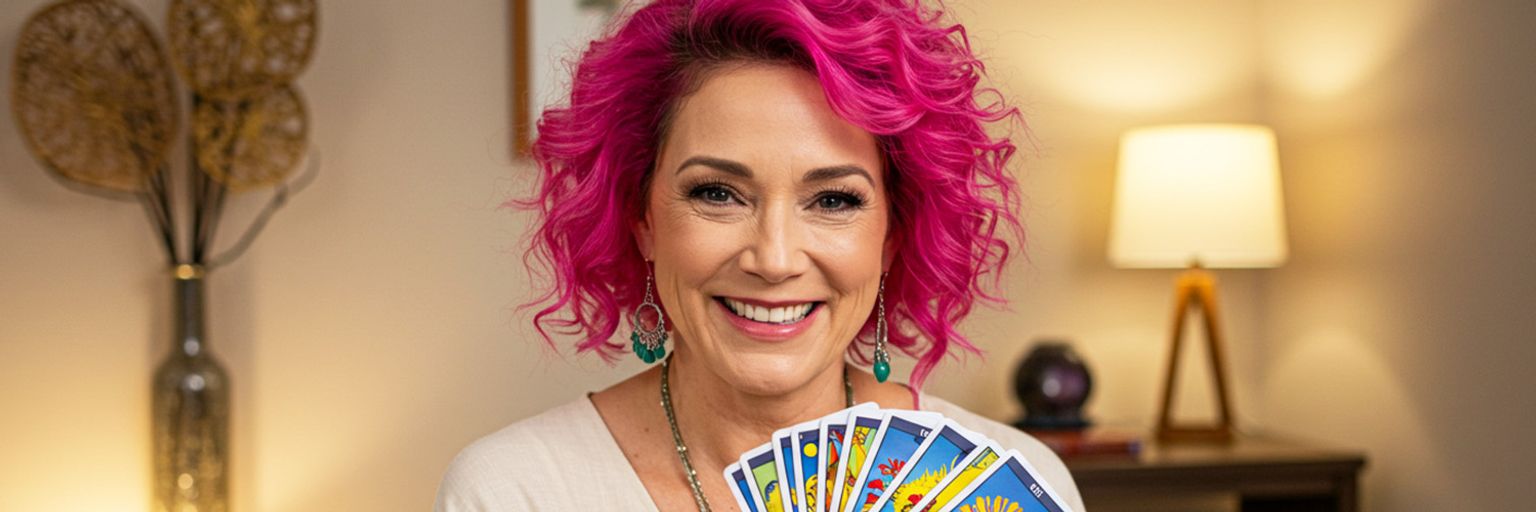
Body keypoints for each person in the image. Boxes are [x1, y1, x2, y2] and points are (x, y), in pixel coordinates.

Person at [437, 0, 1084, 510]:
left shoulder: (1021, 478)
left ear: (893, 234)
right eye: (717, 193)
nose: (774, 260)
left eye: (833, 200)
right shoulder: (513, 491)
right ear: (642, 220)